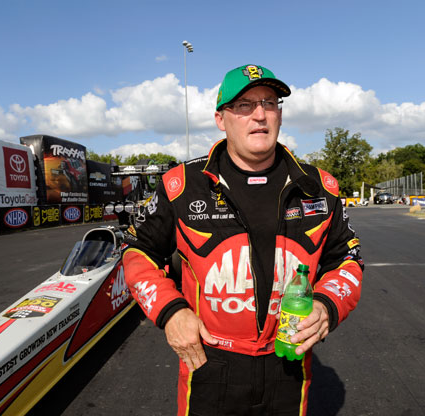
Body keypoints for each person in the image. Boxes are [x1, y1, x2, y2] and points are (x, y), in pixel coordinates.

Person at [123, 64, 363, 415]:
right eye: (244, 105)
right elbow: (138, 252)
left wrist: (327, 305)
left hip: (289, 360)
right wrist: (170, 313)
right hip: (208, 361)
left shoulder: (319, 188)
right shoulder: (182, 186)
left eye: (269, 103)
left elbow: (347, 260)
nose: (260, 115)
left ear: (280, 114)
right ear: (221, 119)